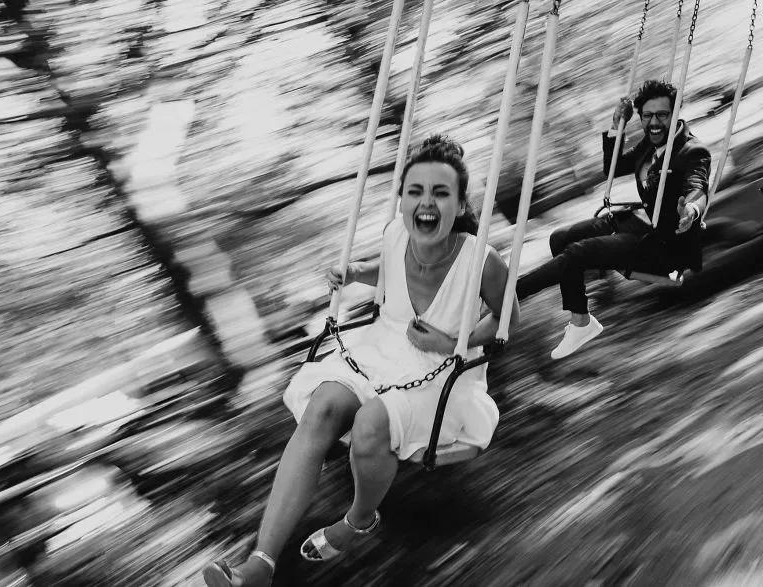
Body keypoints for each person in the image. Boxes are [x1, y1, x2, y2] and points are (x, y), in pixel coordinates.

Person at [202, 135, 520, 587]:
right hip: (379, 349)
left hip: (440, 370)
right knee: (322, 407)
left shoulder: (481, 260)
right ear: (402, 198)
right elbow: (389, 267)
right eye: (415, 191)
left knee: (371, 424)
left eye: (441, 192)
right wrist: (355, 273)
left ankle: (358, 519)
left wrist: (454, 341)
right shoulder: (395, 233)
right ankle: (259, 565)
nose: (426, 202)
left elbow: (509, 320)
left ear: (459, 203)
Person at [515, 79, 711, 359]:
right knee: (560, 238)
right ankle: (586, 301)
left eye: (662, 115)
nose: (654, 122)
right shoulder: (650, 143)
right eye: (647, 116)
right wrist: (616, 126)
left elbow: (697, 186)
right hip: (637, 223)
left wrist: (691, 210)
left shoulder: (693, 151)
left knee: (576, 253)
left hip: (664, 245)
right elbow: (613, 168)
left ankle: (515, 294)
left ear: (675, 112)